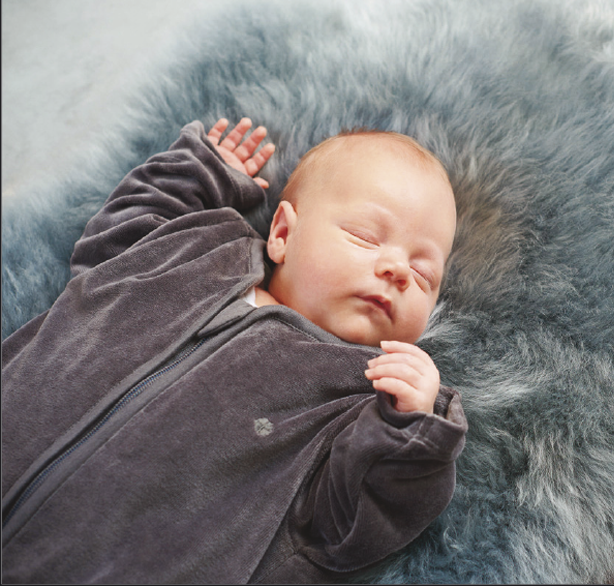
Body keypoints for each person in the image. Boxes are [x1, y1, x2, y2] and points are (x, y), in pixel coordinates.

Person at [1, 117, 467, 583]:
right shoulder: (202, 251)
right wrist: (198, 172)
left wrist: (409, 433)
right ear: (282, 235)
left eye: (423, 274)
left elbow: (351, 529)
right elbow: (117, 241)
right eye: (365, 236)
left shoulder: (356, 404)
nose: (397, 270)